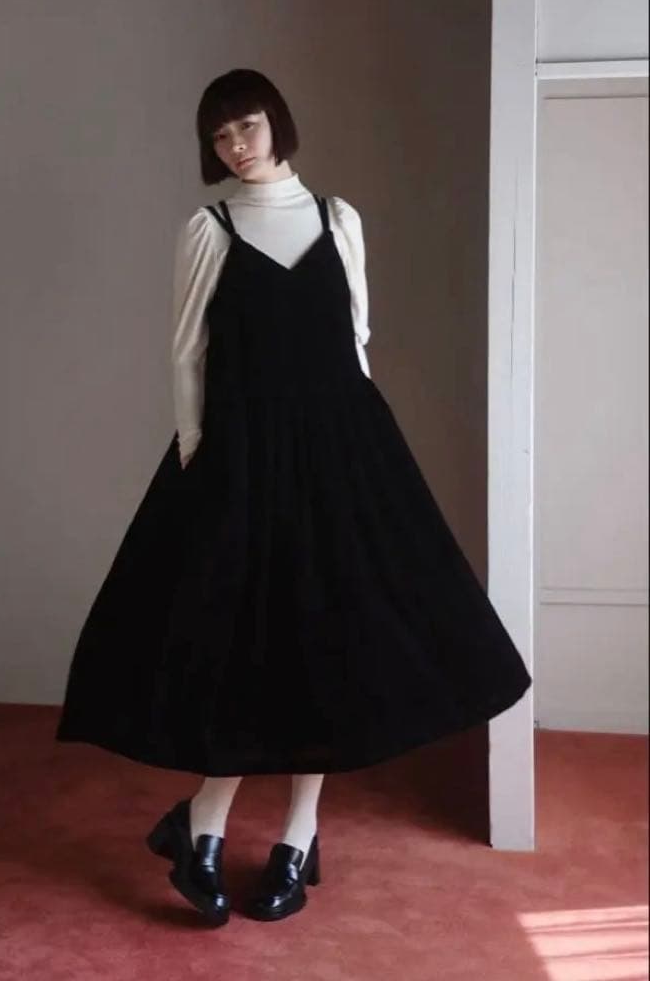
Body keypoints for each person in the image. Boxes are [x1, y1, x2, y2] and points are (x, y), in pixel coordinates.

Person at [56, 68, 532, 926]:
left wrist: (360, 453)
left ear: (276, 121)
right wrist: (198, 452)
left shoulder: (338, 219)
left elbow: (356, 337)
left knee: (327, 638)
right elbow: (186, 352)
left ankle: (297, 835)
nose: (235, 145)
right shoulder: (208, 229)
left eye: (245, 125)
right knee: (238, 643)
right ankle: (202, 824)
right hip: (239, 454)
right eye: (219, 135)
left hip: (338, 452)